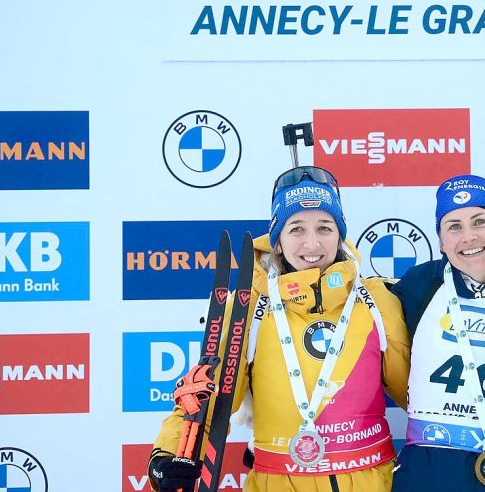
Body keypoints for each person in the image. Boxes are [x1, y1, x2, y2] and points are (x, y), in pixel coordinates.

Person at [147, 166, 411, 492]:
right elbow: (211, 391)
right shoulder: (248, 306)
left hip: (370, 481)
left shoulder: (376, 300)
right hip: (278, 482)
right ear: (278, 240)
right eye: (296, 228)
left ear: (340, 235)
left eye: (325, 228)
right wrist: (172, 453)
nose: (311, 242)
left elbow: (420, 395)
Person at [389, 175, 485, 492]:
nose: (468, 237)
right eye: (454, 227)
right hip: (430, 473)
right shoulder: (419, 285)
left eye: (480, 222)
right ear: (440, 241)